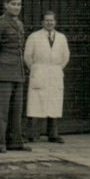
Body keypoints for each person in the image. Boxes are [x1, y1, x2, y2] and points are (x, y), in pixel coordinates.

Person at [0, 0, 30, 153]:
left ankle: (15, 142)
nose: (16, 7)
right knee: (1, 110)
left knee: (16, 109)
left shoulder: (19, 24)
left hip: (17, 72)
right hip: (2, 71)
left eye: (19, 4)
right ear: (5, 5)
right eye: (13, 4)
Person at [23, 11, 71, 143]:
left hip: (55, 71)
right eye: (47, 20)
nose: (49, 23)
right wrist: (34, 68)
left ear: (55, 22)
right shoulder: (34, 37)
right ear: (42, 22)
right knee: (35, 103)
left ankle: (53, 134)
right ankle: (32, 134)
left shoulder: (61, 37)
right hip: (39, 71)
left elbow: (66, 56)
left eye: (52, 20)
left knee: (54, 103)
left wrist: (58, 68)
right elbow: (27, 56)